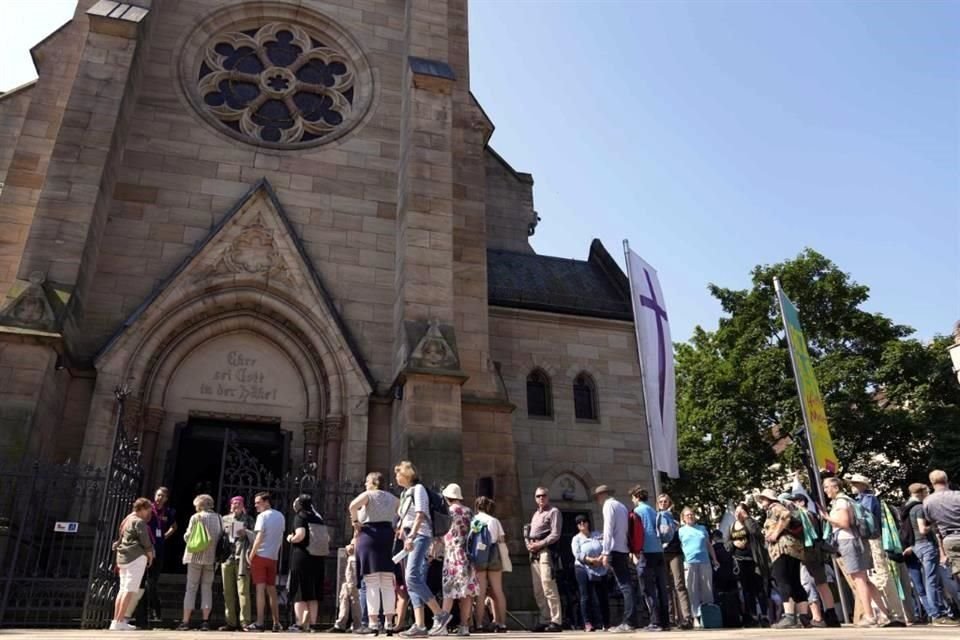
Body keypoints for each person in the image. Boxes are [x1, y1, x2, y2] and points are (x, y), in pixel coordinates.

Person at [821, 477, 891, 627]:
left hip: (849, 541)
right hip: (857, 541)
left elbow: (845, 523)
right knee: (864, 580)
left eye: (827, 487)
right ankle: (884, 613)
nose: (825, 490)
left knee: (858, 580)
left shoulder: (841, 502)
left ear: (835, 487)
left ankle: (869, 616)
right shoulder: (847, 500)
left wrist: (827, 518)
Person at [395, 461, 449, 638]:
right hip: (410, 538)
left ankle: (440, 615)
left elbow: (421, 514)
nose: (396, 476)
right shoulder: (405, 493)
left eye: (398, 473)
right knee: (411, 582)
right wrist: (404, 531)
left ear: (406, 474)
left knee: (412, 577)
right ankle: (419, 625)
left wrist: (411, 536)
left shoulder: (418, 489)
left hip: (420, 536)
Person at [848, 473, 907, 625]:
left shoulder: (867, 500)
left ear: (863, 485)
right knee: (877, 577)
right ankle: (889, 613)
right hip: (870, 540)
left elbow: (864, 521)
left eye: (854, 483)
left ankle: (895, 614)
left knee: (882, 576)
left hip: (872, 540)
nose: (852, 486)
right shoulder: (864, 499)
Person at [350, 471, 401, 634]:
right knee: (387, 582)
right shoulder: (393, 498)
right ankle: (389, 623)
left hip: (369, 535)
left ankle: (372, 623)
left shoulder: (369, 494)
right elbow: (401, 513)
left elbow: (352, 506)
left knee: (371, 582)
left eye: (367, 481)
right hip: (387, 535)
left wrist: (355, 521)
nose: (365, 484)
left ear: (373, 482)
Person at [903, 482, 956, 625]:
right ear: (921, 493)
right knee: (932, 580)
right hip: (926, 544)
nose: (928, 495)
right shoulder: (919, 508)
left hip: (917, 546)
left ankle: (938, 612)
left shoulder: (908, 507)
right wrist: (933, 523)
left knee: (930, 579)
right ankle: (938, 614)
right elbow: (922, 529)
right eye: (927, 492)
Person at [756, 488, 808, 629]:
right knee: (794, 581)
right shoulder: (779, 507)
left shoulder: (775, 507)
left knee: (782, 580)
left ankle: (790, 617)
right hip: (794, 549)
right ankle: (804, 616)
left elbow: (785, 516)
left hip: (782, 549)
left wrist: (774, 533)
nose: (761, 502)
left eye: (763, 499)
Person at [431, 483, 478, 636]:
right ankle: (464, 626)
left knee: (449, 591)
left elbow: (440, 535)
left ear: (447, 497)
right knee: (466, 593)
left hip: (452, 555)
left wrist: (433, 551)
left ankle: (442, 625)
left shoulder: (447, 512)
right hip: (468, 555)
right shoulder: (469, 512)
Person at [788, 492, 840, 628]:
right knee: (822, 584)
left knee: (808, 584)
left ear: (801, 502)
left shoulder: (802, 515)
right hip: (817, 553)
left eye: (794, 501)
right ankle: (831, 615)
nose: (792, 505)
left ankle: (817, 617)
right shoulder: (814, 515)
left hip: (808, 554)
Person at [177, 494, 222, 631]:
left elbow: (188, 536)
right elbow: (220, 536)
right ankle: (205, 621)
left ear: (200, 505)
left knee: (191, 587)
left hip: (195, 556)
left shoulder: (196, 517)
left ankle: (185, 621)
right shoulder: (219, 518)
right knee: (207, 587)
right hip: (211, 557)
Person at [593, 485, 634, 632]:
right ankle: (629, 620)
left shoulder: (608, 505)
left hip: (615, 550)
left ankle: (628, 621)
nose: (597, 500)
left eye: (597, 496)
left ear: (602, 495)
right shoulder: (621, 506)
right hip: (623, 548)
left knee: (624, 585)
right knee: (626, 585)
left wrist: (605, 552)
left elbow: (608, 528)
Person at [111, 498, 155, 631]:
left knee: (122, 589)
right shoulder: (139, 521)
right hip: (135, 557)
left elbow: (120, 537)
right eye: (148, 510)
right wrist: (150, 554)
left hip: (123, 557)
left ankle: (115, 620)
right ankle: (120, 621)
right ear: (142, 508)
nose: (148, 513)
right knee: (130, 590)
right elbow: (145, 541)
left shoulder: (127, 519)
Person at [631, 486, 670, 631]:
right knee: (661, 587)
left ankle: (655, 622)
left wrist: (634, 551)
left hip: (646, 552)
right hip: (659, 550)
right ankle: (666, 621)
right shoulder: (654, 511)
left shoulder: (637, 512)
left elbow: (635, 533)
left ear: (636, 497)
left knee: (648, 588)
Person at [526, 486, 562, 632]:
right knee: (538, 589)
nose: (541, 498)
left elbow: (555, 534)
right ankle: (545, 618)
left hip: (546, 550)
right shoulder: (535, 514)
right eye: (538, 496)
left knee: (548, 585)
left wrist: (539, 544)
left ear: (548, 496)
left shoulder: (554, 511)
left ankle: (556, 620)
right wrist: (529, 545)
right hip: (534, 552)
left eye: (543, 495)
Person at [726, 502, 769, 627]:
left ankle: (765, 615)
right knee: (746, 590)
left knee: (759, 589)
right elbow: (727, 544)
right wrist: (734, 544)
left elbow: (756, 533)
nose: (738, 514)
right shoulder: (731, 526)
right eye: (736, 512)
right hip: (740, 560)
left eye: (741, 511)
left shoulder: (751, 523)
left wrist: (747, 519)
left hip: (753, 560)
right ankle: (752, 616)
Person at [247, 491, 285, 632]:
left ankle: (260, 622)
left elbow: (259, 537)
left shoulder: (262, 516)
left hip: (261, 555)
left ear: (266, 502)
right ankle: (276, 622)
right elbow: (280, 537)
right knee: (272, 590)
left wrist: (251, 555)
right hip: (273, 557)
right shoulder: (280, 516)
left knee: (260, 590)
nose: (255, 505)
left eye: (258, 502)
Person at [287, 494, 325, 632]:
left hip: (302, 557)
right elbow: (327, 538)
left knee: (300, 591)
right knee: (313, 593)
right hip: (317, 558)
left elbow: (300, 535)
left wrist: (290, 538)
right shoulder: (318, 518)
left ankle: (300, 623)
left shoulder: (300, 517)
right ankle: (313, 624)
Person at [677, 507, 719, 628]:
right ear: (683, 518)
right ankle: (695, 616)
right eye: (687, 515)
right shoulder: (681, 531)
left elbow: (709, 545)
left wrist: (714, 559)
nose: (690, 516)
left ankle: (708, 614)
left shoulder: (702, 529)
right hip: (689, 562)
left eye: (691, 514)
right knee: (692, 589)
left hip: (704, 561)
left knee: (707, 588)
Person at [472, 497, 508, 633]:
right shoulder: (494, 521)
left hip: (479, 557)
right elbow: (502, 540)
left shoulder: (474, 520)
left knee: (480, 593)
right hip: (493, 554)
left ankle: (480, 624)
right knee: (498, 590)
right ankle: (502, 624)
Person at [656, 494, 692, 630]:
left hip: (675, 553)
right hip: (662, 553)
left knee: (679, 584)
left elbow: (680, 530)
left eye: (666, 501)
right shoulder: (656, 516)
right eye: (661, 502)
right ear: (658, 503)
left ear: (669, 502)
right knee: (666, 587)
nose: (663, 503)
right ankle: (670, 618)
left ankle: (687, 617)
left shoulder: (674, 516)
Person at [220, 496, 255, 632]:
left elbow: (256, 537)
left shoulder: (249, 519)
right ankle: (230, 622)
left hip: (241, 558)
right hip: (227, 558)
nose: (236, 505)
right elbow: (219, 536)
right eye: (234, 503)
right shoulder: (224, 519)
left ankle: (245, 622)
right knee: (227, 592)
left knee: (243, 591)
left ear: (243, 505)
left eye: (239, 503)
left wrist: (245, 532)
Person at [571, 515, 610, 632]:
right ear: (577, 526)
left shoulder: (597, 535)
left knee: (602, 596)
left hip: (600, 567)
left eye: (584, 521)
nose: (582, 524)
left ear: (588, 523)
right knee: (585, 596)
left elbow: (605, 546)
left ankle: (606, 623)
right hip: (583, 568)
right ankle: (587, 623)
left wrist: (601, 558)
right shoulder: (576, 539)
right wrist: (590, 560)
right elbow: (577, 554)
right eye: (579, 523)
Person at [145, 486, 176, 623]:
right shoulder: (148, 509)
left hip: (159, 549)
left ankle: (154, 609)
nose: (160, 498)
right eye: (158, 495)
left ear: (166, 498)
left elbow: (174, 526)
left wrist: (164, 537)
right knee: (145, 582)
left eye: (163, 496)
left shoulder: (168, 512)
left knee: (152, 581)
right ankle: (150, 609)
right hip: (145, 548)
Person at [924, 470, 960, 580]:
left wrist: (942, 552)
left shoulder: (927, 501)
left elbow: (934, 527)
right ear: (946, 479)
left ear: (931, 482)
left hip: (949, 539)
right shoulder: (958, 495)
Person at [332, 543, 362, 632]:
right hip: (350, 559)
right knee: (344, 594)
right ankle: (340, 623)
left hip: (355, 560)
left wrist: (353, 546)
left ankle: (358, 624)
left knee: (354, 594)